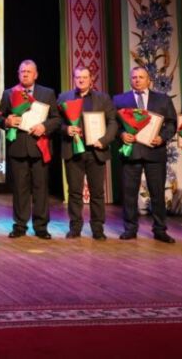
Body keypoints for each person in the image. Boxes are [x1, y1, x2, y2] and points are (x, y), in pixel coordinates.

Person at [0, 60, 61, 239]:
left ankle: (41, 226)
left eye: (28, 71)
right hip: (17, 147)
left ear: (36, 74)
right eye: (22, 71)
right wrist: (6, 121)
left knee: (41, 188)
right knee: (20, 189)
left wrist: (44, 127)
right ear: (18, 74)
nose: (25, 74)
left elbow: (56, 119)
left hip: (39, 146)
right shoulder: (9, 93)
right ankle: (20, 225)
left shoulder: (47, 93)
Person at [112, 66, 177, 243]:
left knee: (157, 193)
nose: (138, 80)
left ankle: (160, 229)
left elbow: (172, 123)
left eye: (141, 77)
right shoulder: (119, 99)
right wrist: (121, 135)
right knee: (129, 193)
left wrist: (162, 137)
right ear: (130, 80)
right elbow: (113, 124)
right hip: (131, 152)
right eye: (134, 77)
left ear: (149, 80)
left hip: (155, 152)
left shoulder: (162, 99)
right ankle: (130, 228)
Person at [57, 66, 117, 240]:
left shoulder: (103, 98)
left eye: (84, 77)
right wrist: (66, 129)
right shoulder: (64, 97)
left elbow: (112, 122)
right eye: (78, 77)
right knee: (74, 192)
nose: (81, 80)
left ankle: (98, 228)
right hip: (73, 150)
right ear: (74, 79)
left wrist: (104, 140)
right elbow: (56, 121)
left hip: (96, 151)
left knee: (97, 193)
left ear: (91, 79)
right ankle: (75, 227)